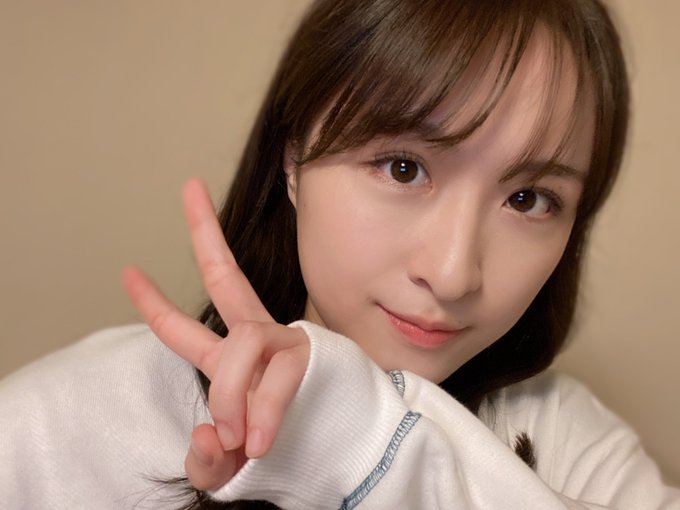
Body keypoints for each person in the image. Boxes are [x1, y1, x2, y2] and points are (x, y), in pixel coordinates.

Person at [1, 0, 679, 508]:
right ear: (293, 160)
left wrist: (368, 446)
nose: (452, 275)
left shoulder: (573, 448)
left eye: (529, 199)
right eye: (404, 168)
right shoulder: (60, 428)